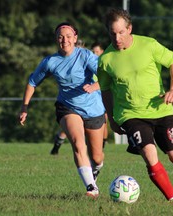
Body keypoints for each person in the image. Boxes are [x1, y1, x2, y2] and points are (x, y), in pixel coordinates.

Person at [97, 8, 173, 204]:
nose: (116, 38)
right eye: (112, 33)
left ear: (130, 29)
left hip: (161, 110)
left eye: (121, 32)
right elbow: (106, 91)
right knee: (149, 154)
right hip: (131, 115)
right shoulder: (105, 60)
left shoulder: (148, 45)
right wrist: (112, 119)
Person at [19, 22, 106, 198]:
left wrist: (95, 85)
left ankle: (94, 170)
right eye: (60, 36)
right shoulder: (50, 62)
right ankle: (91, 187)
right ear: (56, 39)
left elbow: (106, 75)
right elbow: (32, 82)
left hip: (93, 108)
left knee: (97, 157)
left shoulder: (86, 56)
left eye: (68, 36)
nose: (64, 40)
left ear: (75, 38)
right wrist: (24, 107)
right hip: (67, 107)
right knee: (77, 142)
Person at [50, 40, 106, 155]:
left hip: (98, 101)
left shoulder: (99, 64)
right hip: (79, 101)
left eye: (97, 52)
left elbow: (107, 80)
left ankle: (99, 151)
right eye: (93, 51)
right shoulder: (84, 63)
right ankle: (58, 144)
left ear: (102, 52)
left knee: (103, 126)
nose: (94, 53)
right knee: (74, 129)